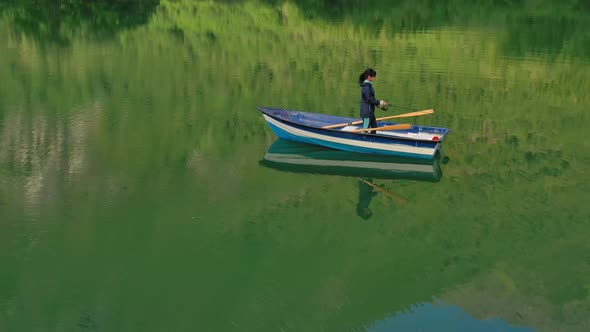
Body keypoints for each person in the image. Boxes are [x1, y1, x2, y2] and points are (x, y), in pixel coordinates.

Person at [359, 68, 389, 134]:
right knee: (365, 130)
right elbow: (370, 100)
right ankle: (362, 140)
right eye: (374, 76)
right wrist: (381, 102)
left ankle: (371, 141)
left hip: (371, 113)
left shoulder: (369, 86)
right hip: (367, 113)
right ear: (369, 77)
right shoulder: (366, 88)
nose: (375, 78)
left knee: (374, 129)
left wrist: (377, 104)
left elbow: (371, 99)